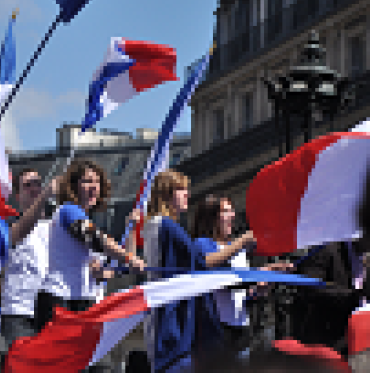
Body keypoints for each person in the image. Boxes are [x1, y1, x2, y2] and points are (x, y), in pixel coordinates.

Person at [35, 160, 145, 335]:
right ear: (73, 186)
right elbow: (96, 239)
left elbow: (114, 269)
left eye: (97, 182)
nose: (94, 187)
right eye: (87, 181)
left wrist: (130, 230)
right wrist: (128, 258)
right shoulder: (68, 211)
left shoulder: (86, 220)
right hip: (60, 301)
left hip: (83, 301)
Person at [131, 170, 225, 373]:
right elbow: (203, 262)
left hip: (161, 316)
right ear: (166, 194)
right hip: (171, 321)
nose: (187, 195)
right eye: (181, 189)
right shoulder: (168, 227)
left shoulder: (152, 225)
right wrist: (242, 242)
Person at [192, 195, 288, 358]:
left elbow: (244, 292)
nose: (232, 215)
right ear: (211, 217)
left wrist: (262, 286)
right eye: (225, 211)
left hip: (242, 330)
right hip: (217, 331)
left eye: (232, 211)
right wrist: (261, 271)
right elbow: (226, 280)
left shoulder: (238, 250)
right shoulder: (202, 244)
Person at [0, 169, 56, 348]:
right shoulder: (9, 225)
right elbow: (18, 234)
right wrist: (44, 196)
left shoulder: (56, 227)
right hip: (19, 313)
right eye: (27, 185)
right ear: (17, 196)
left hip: (51, 313)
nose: (34, 188)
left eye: (38, 183)